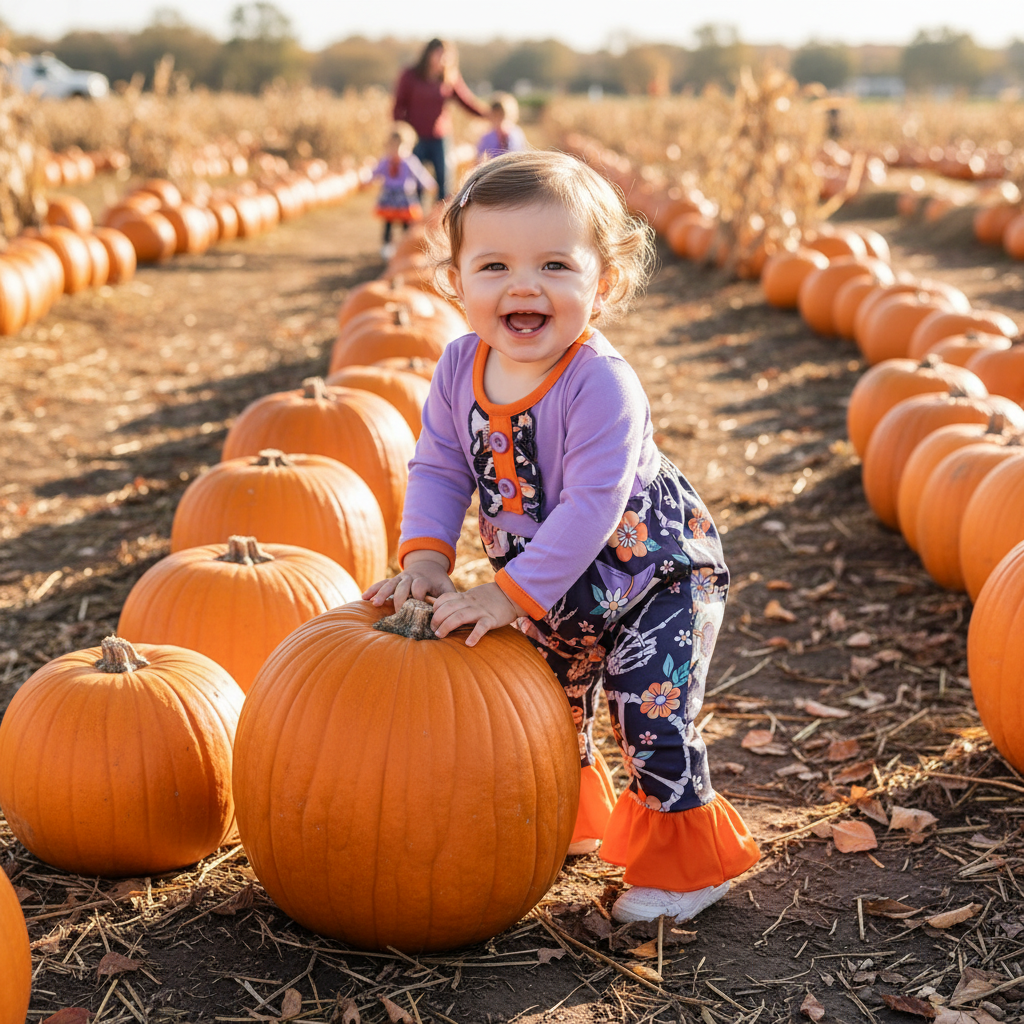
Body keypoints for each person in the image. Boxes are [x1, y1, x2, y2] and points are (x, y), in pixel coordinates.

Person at [363, 151, 759, 925]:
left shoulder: (601, 382)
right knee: (547, 711)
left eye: (554, 265)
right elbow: (440, 466)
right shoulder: (458, 367)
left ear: (602, 283)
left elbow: (591, 508)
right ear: (456, 280)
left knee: (647, 714)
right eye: (495, 266)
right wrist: (428, 560)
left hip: (653, 579)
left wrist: (502, 597)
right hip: (551, 591)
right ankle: (566, 822)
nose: (523, 286)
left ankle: (689, 871)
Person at [392, 38, 490, 200]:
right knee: (415, 183)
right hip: (415, 138)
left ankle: (441, 214)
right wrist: (400, 133)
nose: (443, 59)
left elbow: (466, 101)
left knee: (444, 181)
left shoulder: (450, 77)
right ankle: (415, 214)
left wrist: (488, 114)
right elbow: (398, 106)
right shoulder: (410, 75)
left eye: (446, 56)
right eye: (439, 54)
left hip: (440, 137)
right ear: (428, 54)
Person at [370, 125, 437, 260]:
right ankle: (386, 247)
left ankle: (405, 246)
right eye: (393, 146)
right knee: (388, 222)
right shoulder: (385, 161)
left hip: (404, 198)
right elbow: (375, 172)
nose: (396, 150)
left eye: (400, 147)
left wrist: (429, 183)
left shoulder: (410, 161)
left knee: (406, 224)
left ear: (408, 147)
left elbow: (420, 174)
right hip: (389, 197)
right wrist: (367, 179)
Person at [476, 93, 529, 162]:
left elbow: (523, 153)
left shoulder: (517, 133)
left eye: (502, 115)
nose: (500, 120)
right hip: (495, 167)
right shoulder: (487, 137)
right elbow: (479, 157)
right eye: (496, 115)